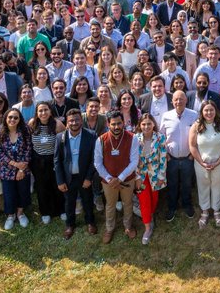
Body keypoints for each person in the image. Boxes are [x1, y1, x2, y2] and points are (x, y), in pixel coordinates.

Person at [94, 110, 140, 242]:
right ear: (108, 124)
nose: (116, 127)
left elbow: (134, 161)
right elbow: (97, 163)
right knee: (110, 205)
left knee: (128, 203)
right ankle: (109, 228)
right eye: (113, 124)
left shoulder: (133, 138)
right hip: (108, 180)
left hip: (127, 179)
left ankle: (128, 226)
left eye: (119, 123)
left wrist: (120, 178)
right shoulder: (101, 140)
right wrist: (109, 179)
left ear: (124, 123)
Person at [55, 107, 97, 239]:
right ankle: (70, 225)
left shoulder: (91, 135)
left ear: (81, 121)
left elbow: (94, 159)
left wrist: (89, 178)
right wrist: (60, 180)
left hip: (84, 176)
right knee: (69, 202)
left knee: (87, 200)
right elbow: (57, 160)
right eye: (71, 121)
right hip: (68, 177)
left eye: (77, 120)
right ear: (67, 122)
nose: (74, 123)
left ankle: (90, 222)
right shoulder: (60, 137)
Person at [189, 101, 220, 228]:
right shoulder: (196, 126)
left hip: (219, 162)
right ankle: (205, 211)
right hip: (201, 163)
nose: (209, 113)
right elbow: (192, 146)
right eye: (206, 110)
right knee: (203, 186)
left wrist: (218, 162)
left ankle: (217, 210)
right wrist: (201, 162)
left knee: (217, 186)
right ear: (202, 112)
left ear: (216, 111)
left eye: (211, 110)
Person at [158, 90, 197, 222]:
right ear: (172, 101)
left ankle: (187, 205)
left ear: (186, 100)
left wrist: (192, 154)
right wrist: (166, 155)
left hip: (188, 158)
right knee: (172, 184)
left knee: (187, 184)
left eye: (181, 99)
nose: (178, 102)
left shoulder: (193, 115)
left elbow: (198, 136)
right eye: (176, 99)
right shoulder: (166, 116)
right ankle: (172, 207)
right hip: (171, 159)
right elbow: (161, 137)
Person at [0, 108, 33, 230]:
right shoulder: (0, 132)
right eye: (10, 117)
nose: (12, 120)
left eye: (15, 117)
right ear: (6, 118)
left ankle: (20, 213)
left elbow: (29, 149)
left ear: (19, 119)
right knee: (9, 194)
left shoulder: (25, 130)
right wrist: (15, 165)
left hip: (24, 169)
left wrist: (21, 169)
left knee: (23, 192)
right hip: (7, 170)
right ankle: (10, 215)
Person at [28, 103, 63, 224]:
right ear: (37, 113)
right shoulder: (32, 123)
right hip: (37, 160)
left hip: (53, 159)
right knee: (42, 187)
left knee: (56, 185)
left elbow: (64, 140)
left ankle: (61, 210)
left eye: (46, 110)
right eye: (40, 110)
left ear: (50, 111)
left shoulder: (57, 124)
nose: (43, 113)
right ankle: (45, 212)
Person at [136, 113, 167, 245]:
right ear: (140, 126)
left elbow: (163, 158)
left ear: (153, 124)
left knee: (154, 199)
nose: (146, 126)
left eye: (149, 123)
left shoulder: (160, 138)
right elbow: (133, 160)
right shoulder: (135, 138)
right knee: (144, 200)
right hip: (141, 176)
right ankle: (147, 228)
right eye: (143, 124)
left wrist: (161, 176)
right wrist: (136, 177)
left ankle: (149, 215)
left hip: (156, 175)